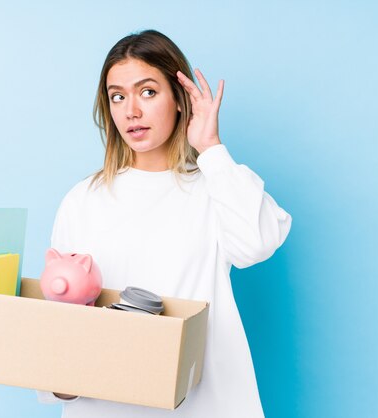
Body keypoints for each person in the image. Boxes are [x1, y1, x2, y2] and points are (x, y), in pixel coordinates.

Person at [36, 29, 292, 418]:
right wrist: (62, 384)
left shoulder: (214, 185)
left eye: (148, 92)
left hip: (204, 404)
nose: (131, 111)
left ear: (179, 100)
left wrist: (211, 149)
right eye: (117, 96)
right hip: (108, 406)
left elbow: (257, 244)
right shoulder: (83, 199)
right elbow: (60, 317)